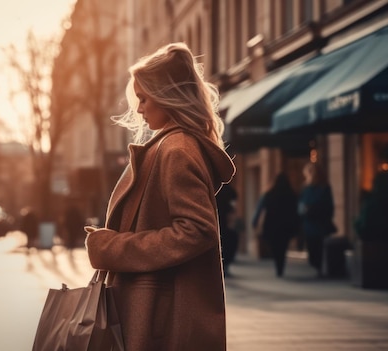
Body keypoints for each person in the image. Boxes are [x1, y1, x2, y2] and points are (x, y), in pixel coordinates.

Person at [84, 42, 235, 351]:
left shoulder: (176, 150)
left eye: (143, 98)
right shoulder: (171, 147)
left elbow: (197, 230)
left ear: (168, 96)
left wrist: (114, 247)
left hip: (160, 320)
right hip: (158, 312)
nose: (139, 109)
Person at [252, 173, 300, 277]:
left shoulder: (269, 194)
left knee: (275, 246)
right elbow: (297, 211)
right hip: (286, 225)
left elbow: (259, 209)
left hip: (272, 224)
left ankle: (278, 265)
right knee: (283, 246)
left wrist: (254, 222)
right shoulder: (292, 194)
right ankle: (280, 265)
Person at [298, 162, 335, 277]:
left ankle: (319, 267)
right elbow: (300, 204)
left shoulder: (324, 187)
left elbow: (329, 205)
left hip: (320, 223)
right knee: (312, 248)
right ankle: (317, 266)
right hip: (309, 224)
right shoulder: (306, 188)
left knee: (318, 248)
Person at [216, 182, 239, 277]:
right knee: (226, 242)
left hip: (215, 220)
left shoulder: (213, 186)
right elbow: (234, 199)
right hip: (224, 220)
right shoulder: (228, 189)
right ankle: (224, 266)